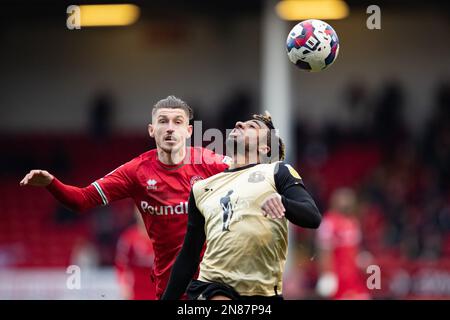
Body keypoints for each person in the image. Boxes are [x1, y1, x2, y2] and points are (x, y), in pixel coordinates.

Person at [19, 95, 229, 299]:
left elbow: (251, 174)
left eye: (178, 121)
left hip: (208, 285)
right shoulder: (136, 171)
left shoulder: (210, 162)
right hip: (168, 289)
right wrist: (51, 183)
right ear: (151, 130)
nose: (170, 128)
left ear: (188, 130)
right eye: (163, 121)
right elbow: (81, 200)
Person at [161, 112, 321, 300]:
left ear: (265, 147)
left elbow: (312, 217)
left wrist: (283, 202)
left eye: (252, 126)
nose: (238, 123)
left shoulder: (277, 172)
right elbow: (189, 256)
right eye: (241, 123)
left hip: (264, 292)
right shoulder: (201, 188)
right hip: (212, 286)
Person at [315, 188, 370, 299]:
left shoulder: (353, 222)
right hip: (338, 277)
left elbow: (355, 249)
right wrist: (327, 274)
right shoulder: (328, 222)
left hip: (353, 277)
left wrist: (362, 259)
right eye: (344, 199)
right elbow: (324, 251)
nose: (347, 203)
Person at [115, 210, 156, 300]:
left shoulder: (163, 237)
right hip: (137, 293)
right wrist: (124, 285)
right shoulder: (129, 238)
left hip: (159, 292)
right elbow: (121, 265)